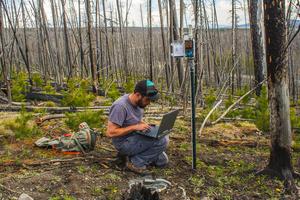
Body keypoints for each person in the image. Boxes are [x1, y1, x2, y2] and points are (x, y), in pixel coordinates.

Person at [106, 80, 169, 174]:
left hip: (135, 136)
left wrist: (145, 125)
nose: (149, 103)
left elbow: (134, 120)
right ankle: (135, 162)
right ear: (138, 95)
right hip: (124, 143)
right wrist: (135, 127)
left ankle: (133, 157)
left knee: (162, 160)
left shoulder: (138, 103)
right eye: (147, 99)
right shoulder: (120, 106)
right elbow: (110, 132)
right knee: (163, 140)